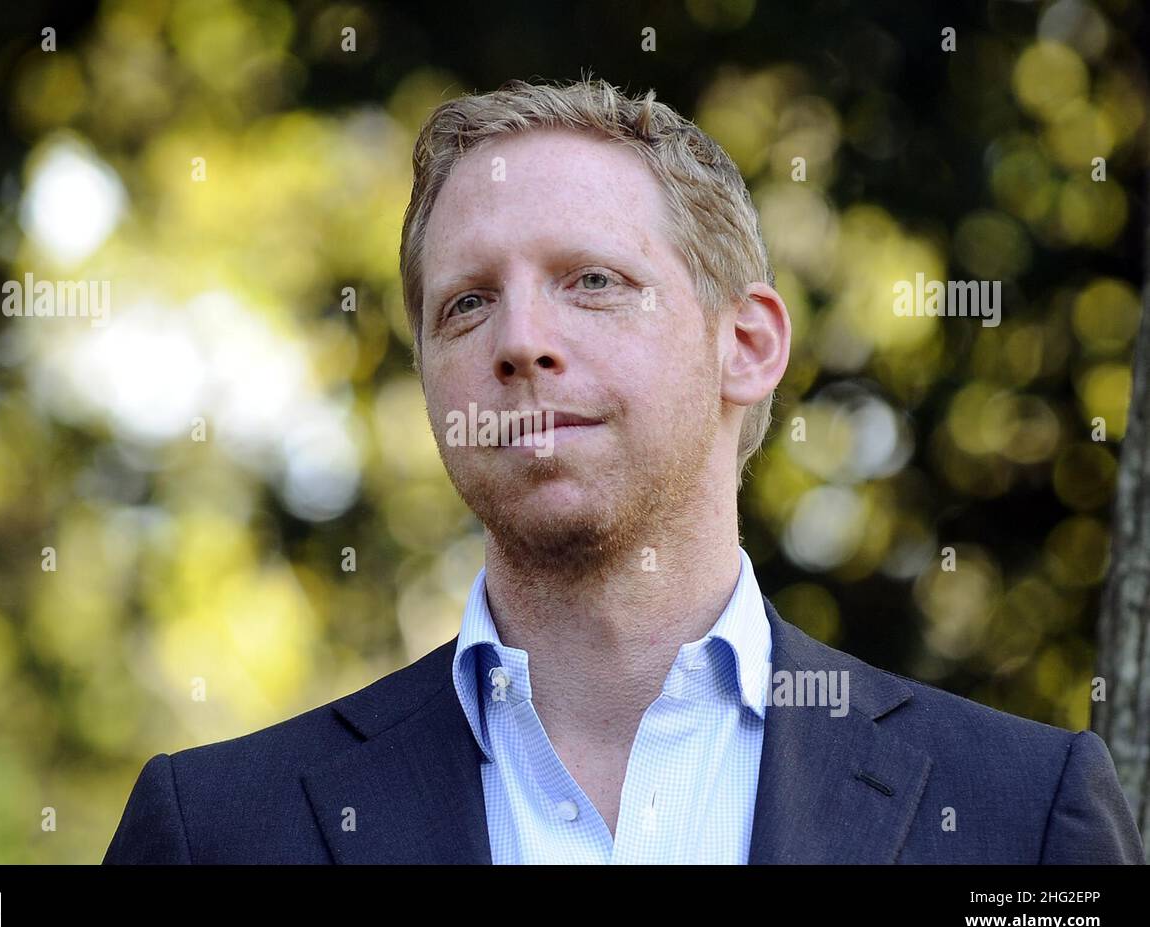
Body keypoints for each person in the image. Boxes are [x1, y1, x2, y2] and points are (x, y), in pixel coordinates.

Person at [103, 78, 1145, 864]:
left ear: (745, 344)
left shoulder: (1019, 813)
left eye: (591, 281)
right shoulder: (218, 832)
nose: (518, 339)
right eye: (465, 303)